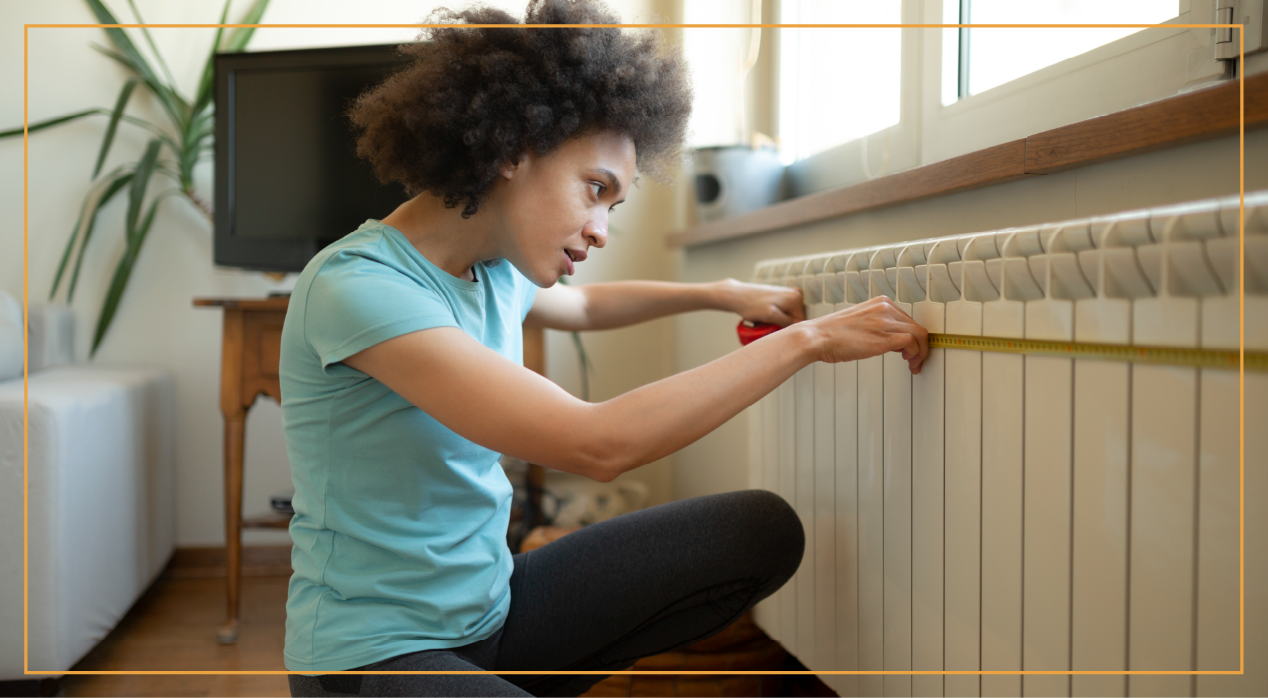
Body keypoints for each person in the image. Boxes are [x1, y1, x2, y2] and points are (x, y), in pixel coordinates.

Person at [281, 1, 928, 696]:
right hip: (371, 659)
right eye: (596, 190)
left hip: (494, 614)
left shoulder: (493, 267)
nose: (599, 229)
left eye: (613, 206)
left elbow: (587, 304)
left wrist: (720, 292)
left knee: (759, 530)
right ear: (510, 149)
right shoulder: (359, 288)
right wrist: (809, 341)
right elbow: (596, 444)